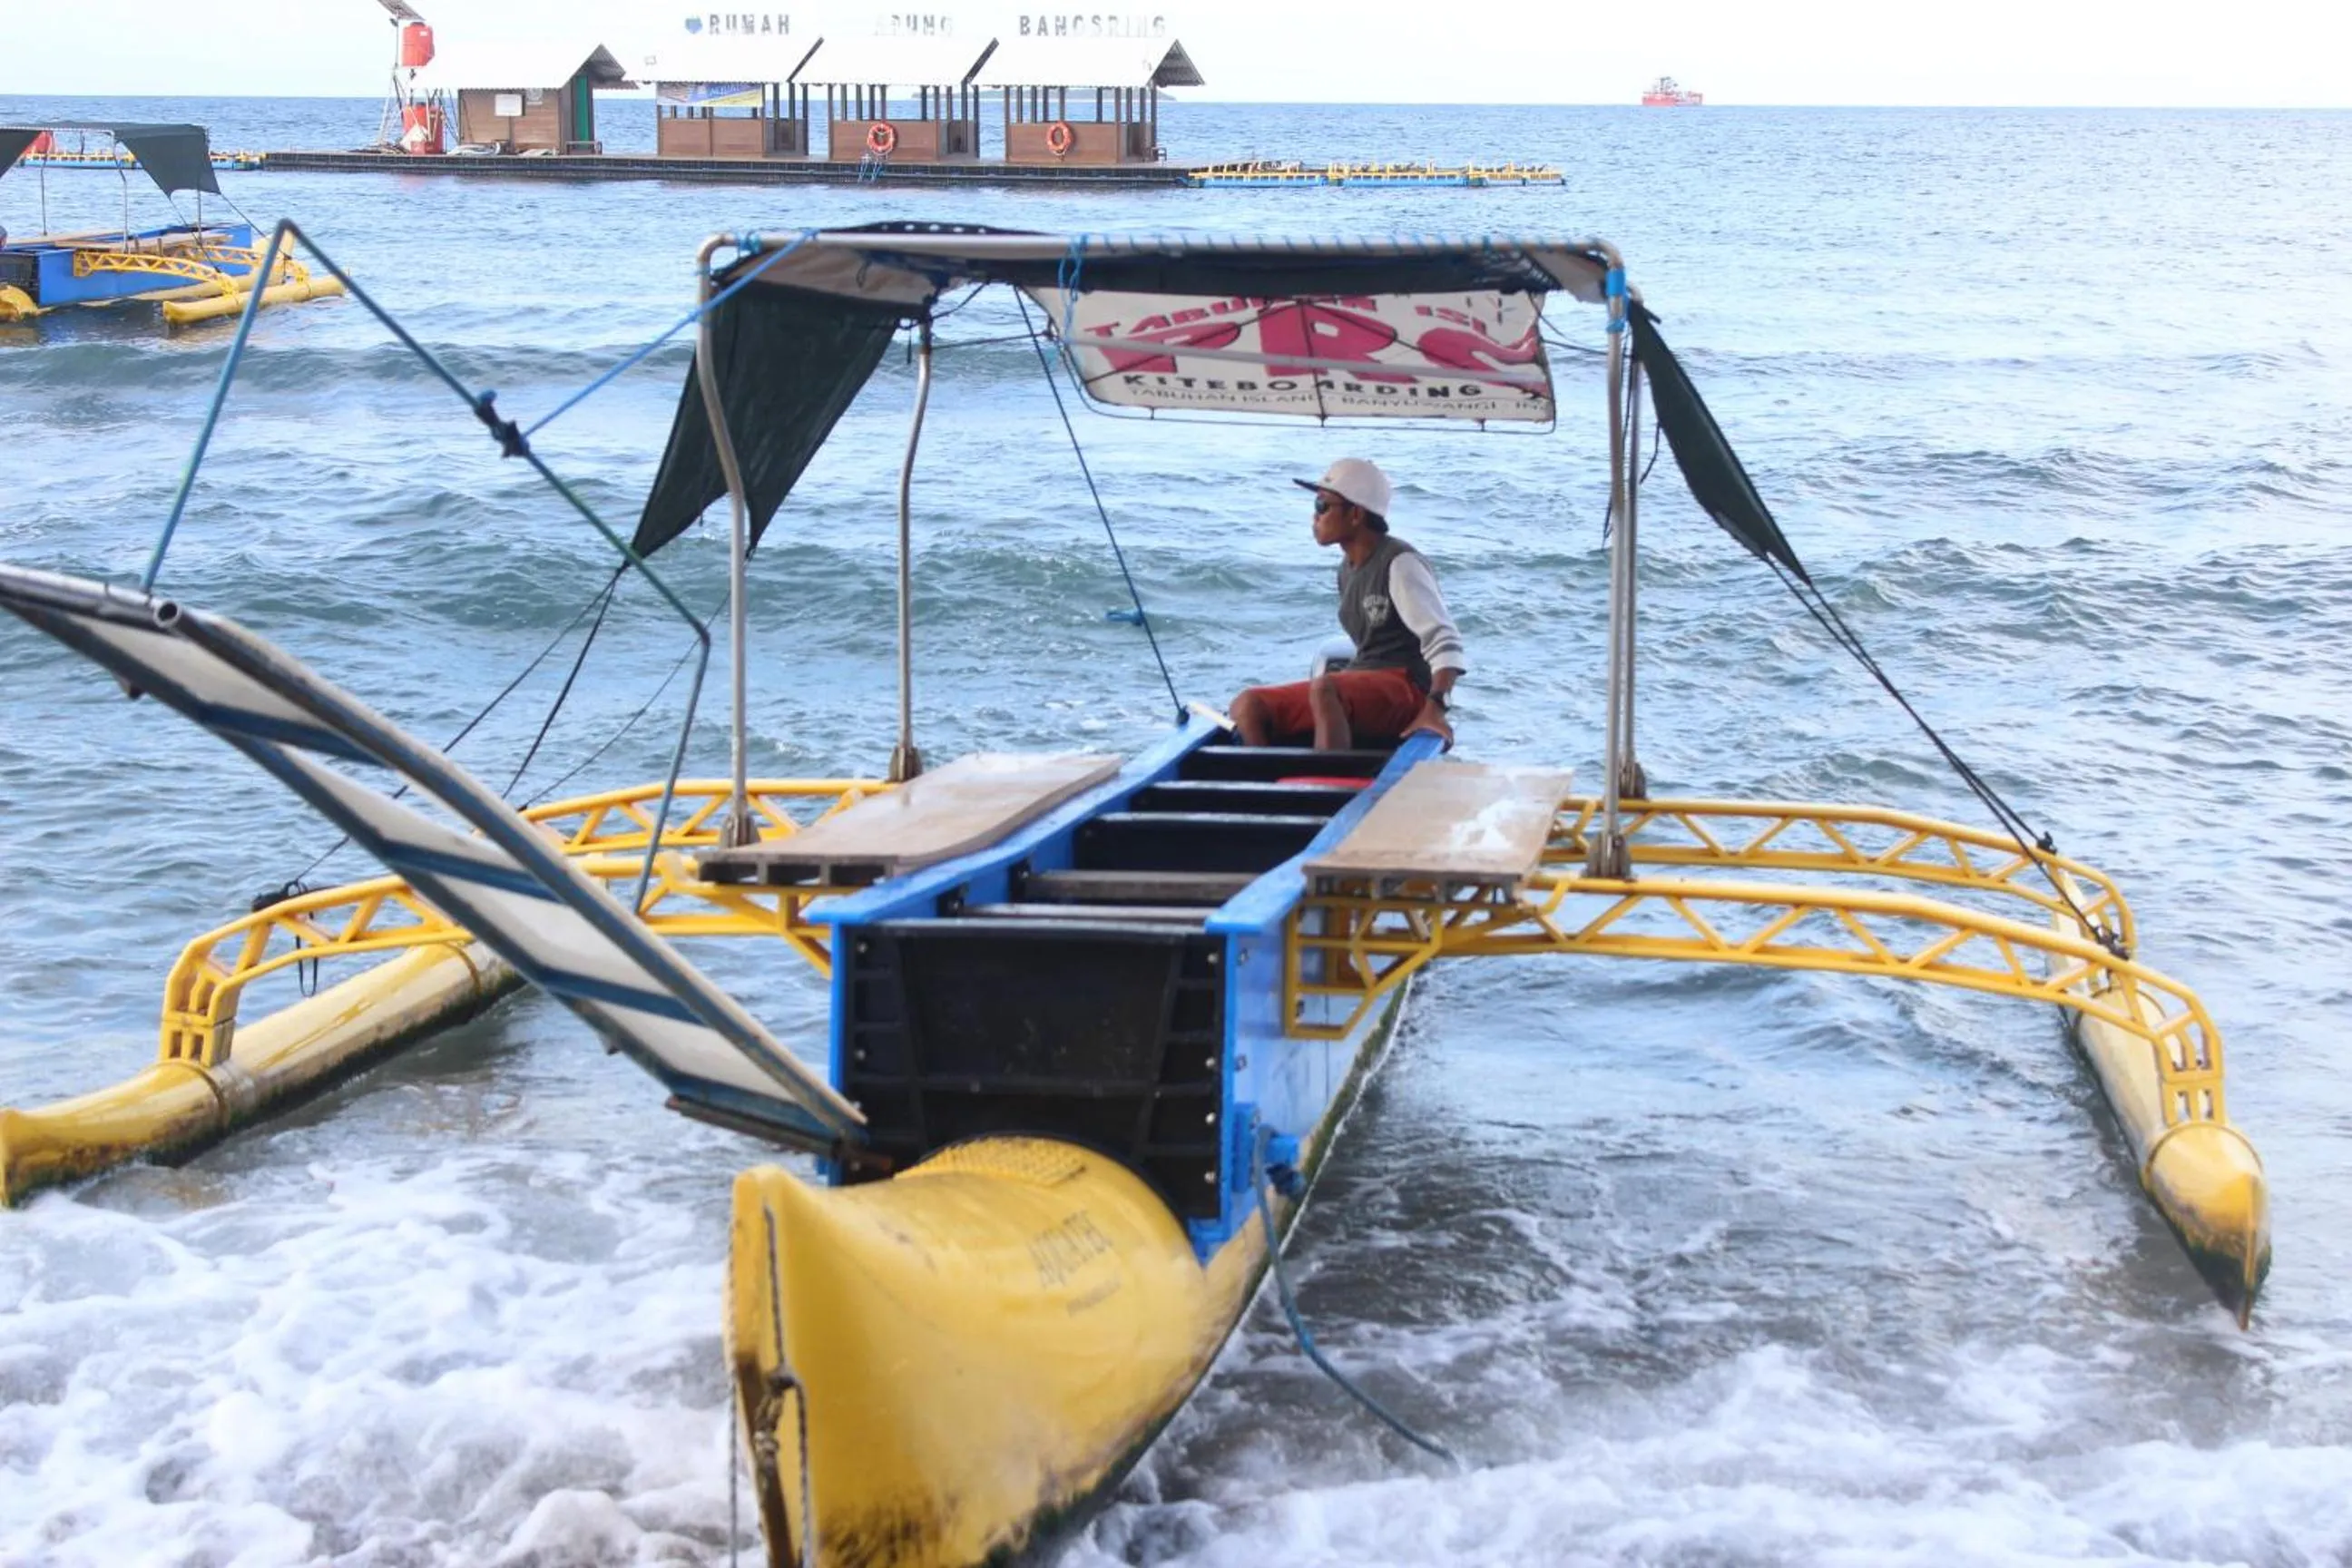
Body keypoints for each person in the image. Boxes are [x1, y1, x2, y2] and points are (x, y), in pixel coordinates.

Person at [1230, 458, 1465, 750]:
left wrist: (1435, 708)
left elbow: (1445, 639)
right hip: (1364, 681)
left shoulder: (1400, 564)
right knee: (1249, 705)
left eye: (1322, 507)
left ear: (1355, 514)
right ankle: (1264, 789)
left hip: (1408, 688)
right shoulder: (1346, 570)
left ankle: (1325, 787)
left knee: (1327, 687)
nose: (1314, 517)